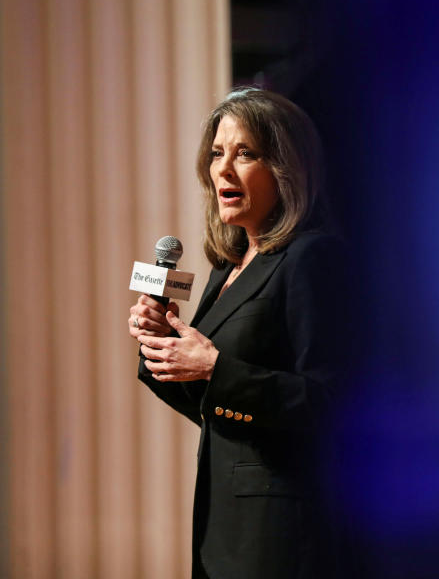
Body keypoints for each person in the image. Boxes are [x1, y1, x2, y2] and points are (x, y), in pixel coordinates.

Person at [128, 87, 349, 578]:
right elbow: (216, 409)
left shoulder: (311, 258)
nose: (223, 169)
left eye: (245, 153)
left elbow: (333, 403)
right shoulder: (225, 269)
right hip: (223, 522)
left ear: (286, 167)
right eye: (216, 154)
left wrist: (215, 369)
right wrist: (162, 347)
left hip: (281, 532)